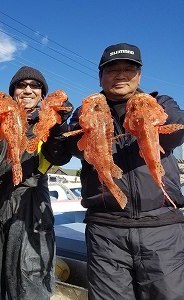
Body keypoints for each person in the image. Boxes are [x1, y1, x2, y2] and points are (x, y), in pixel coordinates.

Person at [58, 43, 184, 299]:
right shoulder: (88, 110)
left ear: (140, 75)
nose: (121, 75)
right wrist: (62, 124)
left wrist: (149, 117)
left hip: (161, 227)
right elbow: (72, 146)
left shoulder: (160, 102)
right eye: (112, 70)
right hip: (106, 230)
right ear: (100, 76)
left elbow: (177, 130)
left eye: (129, 69)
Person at [0, 66, 72, 300]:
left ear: (42, 94)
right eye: (21, 85)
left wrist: (58, 128)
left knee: (30, 279)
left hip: (32, 201)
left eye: (35, 86)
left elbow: (60, 157)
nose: (28, 89)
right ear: (13, 92)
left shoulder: (50, 121)